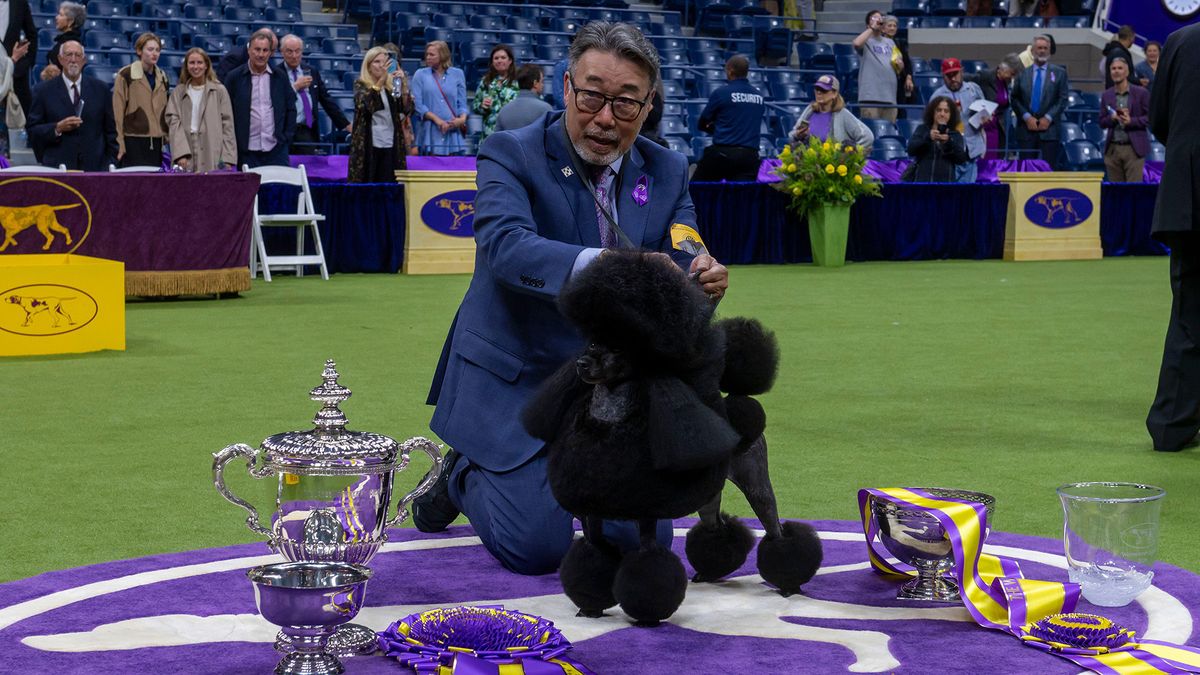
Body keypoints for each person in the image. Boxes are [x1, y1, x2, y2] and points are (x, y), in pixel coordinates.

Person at [419, 21, 729, 575]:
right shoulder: (508, 151)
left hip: (610, 386)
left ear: (649, 105)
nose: (605, 118)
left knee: (639, 539)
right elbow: (506, 246)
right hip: (518, 376)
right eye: (591, 96)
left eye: (625, 103)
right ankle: (463, 473)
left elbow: (685, 244)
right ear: (566, 87)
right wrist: (617, 267)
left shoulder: (668, 170)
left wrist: (700, 272)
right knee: (537, 549)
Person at [1147, 22, 1200, 453]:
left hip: (1189, 192)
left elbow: (1159, 119)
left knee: (1188, 312)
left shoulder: (1180, 41)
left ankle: (1172, 427)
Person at [27, 40, 116, 170]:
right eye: (69, 55)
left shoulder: (101, 89)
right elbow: (33, 130)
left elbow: (111, 131)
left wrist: (109, 163)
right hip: (57, 169)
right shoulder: (43, 91)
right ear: (60, 59)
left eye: (78, 55)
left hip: (95, 170)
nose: (73, 60)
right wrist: (57, 128)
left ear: (84, 60)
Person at [223, 31, 295, 168]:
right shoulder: (234, 77)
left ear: (270, 53)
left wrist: (286, 138)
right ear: (249, 50)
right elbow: (225, 113)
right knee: (248, 190)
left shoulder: (280, 77)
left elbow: (291, 108)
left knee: (280, 189)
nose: (261, 54)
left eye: (265, 50)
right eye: (257, 49)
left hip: (277, 150)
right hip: (246, 151)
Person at [691, 54, 766, 182]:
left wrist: (715, 130)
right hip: (749, 157)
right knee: (742, 198)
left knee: (697, 191)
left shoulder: (721, 93)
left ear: (730, 70)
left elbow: (703, 122)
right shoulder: (759, 97)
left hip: (722, 154)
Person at [347, 46, 413, 183]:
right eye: (377, 62)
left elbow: (404, 109)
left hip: (391, 142)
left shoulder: (392, 85)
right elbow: (366, 106)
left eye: (384, 61)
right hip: (369, 144)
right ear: (368, 66)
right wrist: (381, 80)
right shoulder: (361, 85)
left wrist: (403, 84)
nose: (381, 65)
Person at [165, 48, 236, 173]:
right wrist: (180, 153)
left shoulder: (219, 90)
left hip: (212, 146)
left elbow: (228, 125)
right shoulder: (178, 92)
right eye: (192, 63)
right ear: (186, 66)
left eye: (199, 62)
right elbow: (173, 122)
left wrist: (228, 157)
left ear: (206, 65)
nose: (195, 67)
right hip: (187, 145)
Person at [279, 34, 352, 154]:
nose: (294, 56)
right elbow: (276, 101)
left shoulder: (311, 71)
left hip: (307, 129)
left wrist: (345, 124)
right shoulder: (276, 73)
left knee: (308, 167)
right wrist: (296, 87)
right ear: (282, 52)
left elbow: (326, 100)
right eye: (289, 52)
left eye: (297, 51)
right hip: (284, 130)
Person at [1010, 34, 1069, 168]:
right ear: (1033, 51)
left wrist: (1048, 118)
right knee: (1026, 171)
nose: (1042, 51)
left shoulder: (1060, 73)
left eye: (1045, 48)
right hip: (1026, 130)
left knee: (1048, 171)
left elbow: (1063, 99)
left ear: (1049, 50)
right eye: (1039, 48)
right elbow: (1014, 98)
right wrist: (1026, 117)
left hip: (1050, 130)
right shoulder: (1021, 73)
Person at [112, 33, 169, 168]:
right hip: (133, 140)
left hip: (157, 142)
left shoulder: (163, 77)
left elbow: (165, 109)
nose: (154, 53)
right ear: (139, 51)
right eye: (150, 49)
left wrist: (166, 135)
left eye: (157, 50)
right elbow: (117, 112)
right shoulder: (125, 75)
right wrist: (119, 142)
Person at [931, 57, 987, 183]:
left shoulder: (974, 90)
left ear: (962, 72)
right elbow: (931, 126)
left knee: (968, 195)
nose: (953, 79)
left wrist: (985, 118)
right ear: (943, 76)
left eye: (955, 74)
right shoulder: (937, 96)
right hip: (949, 154)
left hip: (971, 150)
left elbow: (985, 112)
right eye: (948, 75)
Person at [788, 74, 874, 152]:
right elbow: (792, 135)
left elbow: (867, 137)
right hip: (808, 164)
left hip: (832, 166)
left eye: (823, 90)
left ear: (834, 93)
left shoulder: (843, 114)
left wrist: (850, 155)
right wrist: (798, 135)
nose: (819, 92)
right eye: (817, 89)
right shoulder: (810, 110)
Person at [411, 40, 467, 155]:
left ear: (443, 55)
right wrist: (438, 120)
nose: (428, 57)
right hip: (429, 130)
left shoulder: (458, 74)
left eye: (432, 54)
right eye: (427, 54)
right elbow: (418, 104)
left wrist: (461, 119)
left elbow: (462, 103)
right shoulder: (420, 74)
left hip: (452, 130)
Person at [1099, 57, 1149, 183]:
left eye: (1120, 68)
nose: (1116, 71)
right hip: (1113, 150)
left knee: (1133, 192)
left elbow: (1150, 118)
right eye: (1113, 69)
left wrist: (1131, 121)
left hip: (1133, 149)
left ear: (1127, 72)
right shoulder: (1107, 95)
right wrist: (1112, 118)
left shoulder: (1141, 93)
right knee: (1116, 194)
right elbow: (1101, 122)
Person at [966, 54, 1022, 159]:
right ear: (1004, 68)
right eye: (1012, 73)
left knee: (997, 158)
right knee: (986, 157)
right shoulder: (986, 76)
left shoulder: (1007, 82)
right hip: (985, 125)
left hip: (998, 125)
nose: (1012, 77)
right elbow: (965, 79)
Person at [905, 96, 970, 182]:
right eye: (939, 110)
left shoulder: (955, 134)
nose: (942, 114)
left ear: (951, 115)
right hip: (922, 184)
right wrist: (928, 138)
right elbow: (911, 150)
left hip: (946, 186)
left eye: (946, 111)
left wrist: (948, 142)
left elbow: (961, 159)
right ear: (933, 112)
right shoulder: (923, 129)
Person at [852, 9, 898, 123]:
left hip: (889, 97)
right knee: (871, 134)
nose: (878, 20)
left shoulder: (890, 42)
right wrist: (872, 28)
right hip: (870, 97)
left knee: (888, 135)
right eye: (875, 18)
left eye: (880, 18)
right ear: (868, 24)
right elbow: (856, 43)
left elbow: (897, 66)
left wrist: (900, 66)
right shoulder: (866, 41)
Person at [471, 44, 518, 141]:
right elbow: (475, 106)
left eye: (503, 58)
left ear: (510, 61)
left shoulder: (519, 82)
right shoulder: (485, 81)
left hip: (512, 134)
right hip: (490, 135)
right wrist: (482, 106)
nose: (499, 61)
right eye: (496, 58)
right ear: (492, 62)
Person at [0, 0, 36, 116]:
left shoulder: (19, 3)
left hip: (15, 75)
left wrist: (24, 65)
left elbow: (32, 35)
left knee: (22, 122)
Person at [495, 63, 552, 133]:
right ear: (535, 83)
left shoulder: (504, 110)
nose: (543, 85)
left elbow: (497, 141)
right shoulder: (545, 109)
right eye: (542, 81)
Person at [41, 1, 83, 81]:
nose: (56, 17)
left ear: (70, 21)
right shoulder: (63, 40)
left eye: (61, 15)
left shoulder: (71, 44)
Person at [881, 15, 914, 118]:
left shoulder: (899, 43)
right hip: (883, 82)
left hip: (899, 82)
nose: (892, 28)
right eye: (889, 25)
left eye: (894, 26)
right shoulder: (878, 43)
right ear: (883, 28)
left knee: (900, 111)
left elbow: (907, 62)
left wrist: (908, 77)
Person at [1101, 25, 1135, 90]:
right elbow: (1123, 75)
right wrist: (1138, 81)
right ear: (1130, 37)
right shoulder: (1119, 53)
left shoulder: (1112, 51)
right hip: (1119, 93)